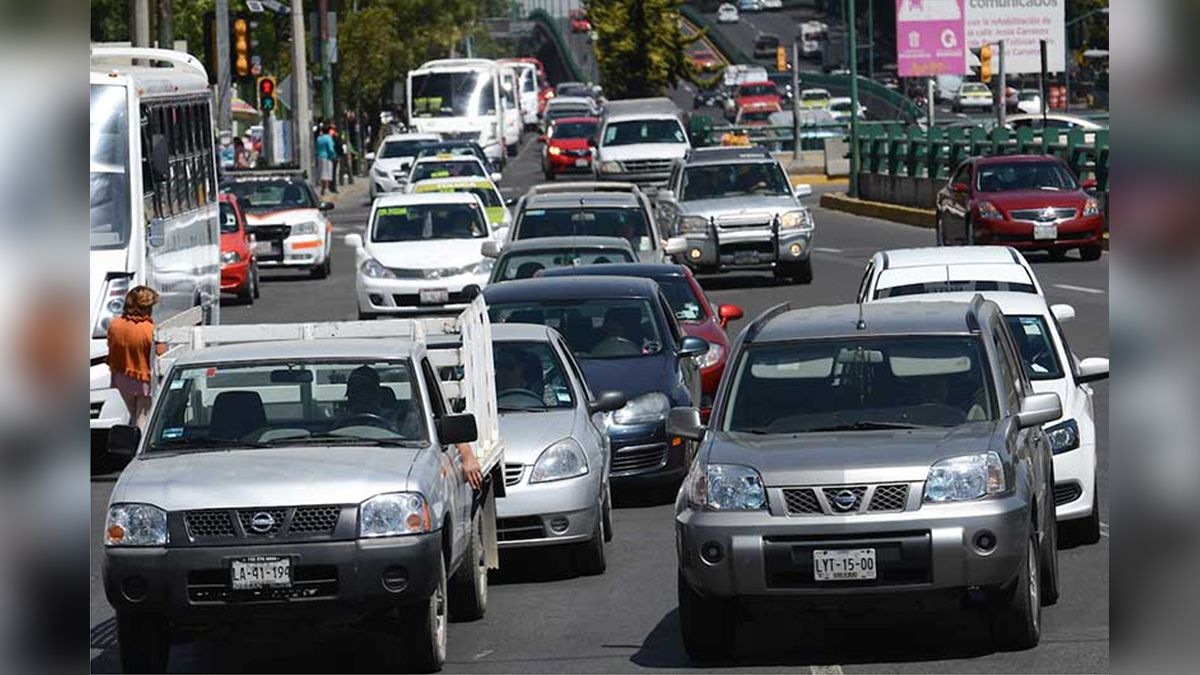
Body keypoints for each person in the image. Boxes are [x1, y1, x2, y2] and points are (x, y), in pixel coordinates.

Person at [106, 286, 161, 429]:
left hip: (122, 376)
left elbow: (111, 347)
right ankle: (138, 447)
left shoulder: (114, 324)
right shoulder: (150, 329)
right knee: (143, 418)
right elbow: (161, 353)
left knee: (133, 414)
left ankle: (131, 441)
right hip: (144, 379)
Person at [315, 124, 337, 196]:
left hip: (319, 156)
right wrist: (333, 155)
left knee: (321, 173)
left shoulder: (319, 138)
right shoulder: (328, 138)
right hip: (327, 157)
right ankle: (326, 189)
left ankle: (322, 189)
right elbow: (331, 148)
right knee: (327, 173)